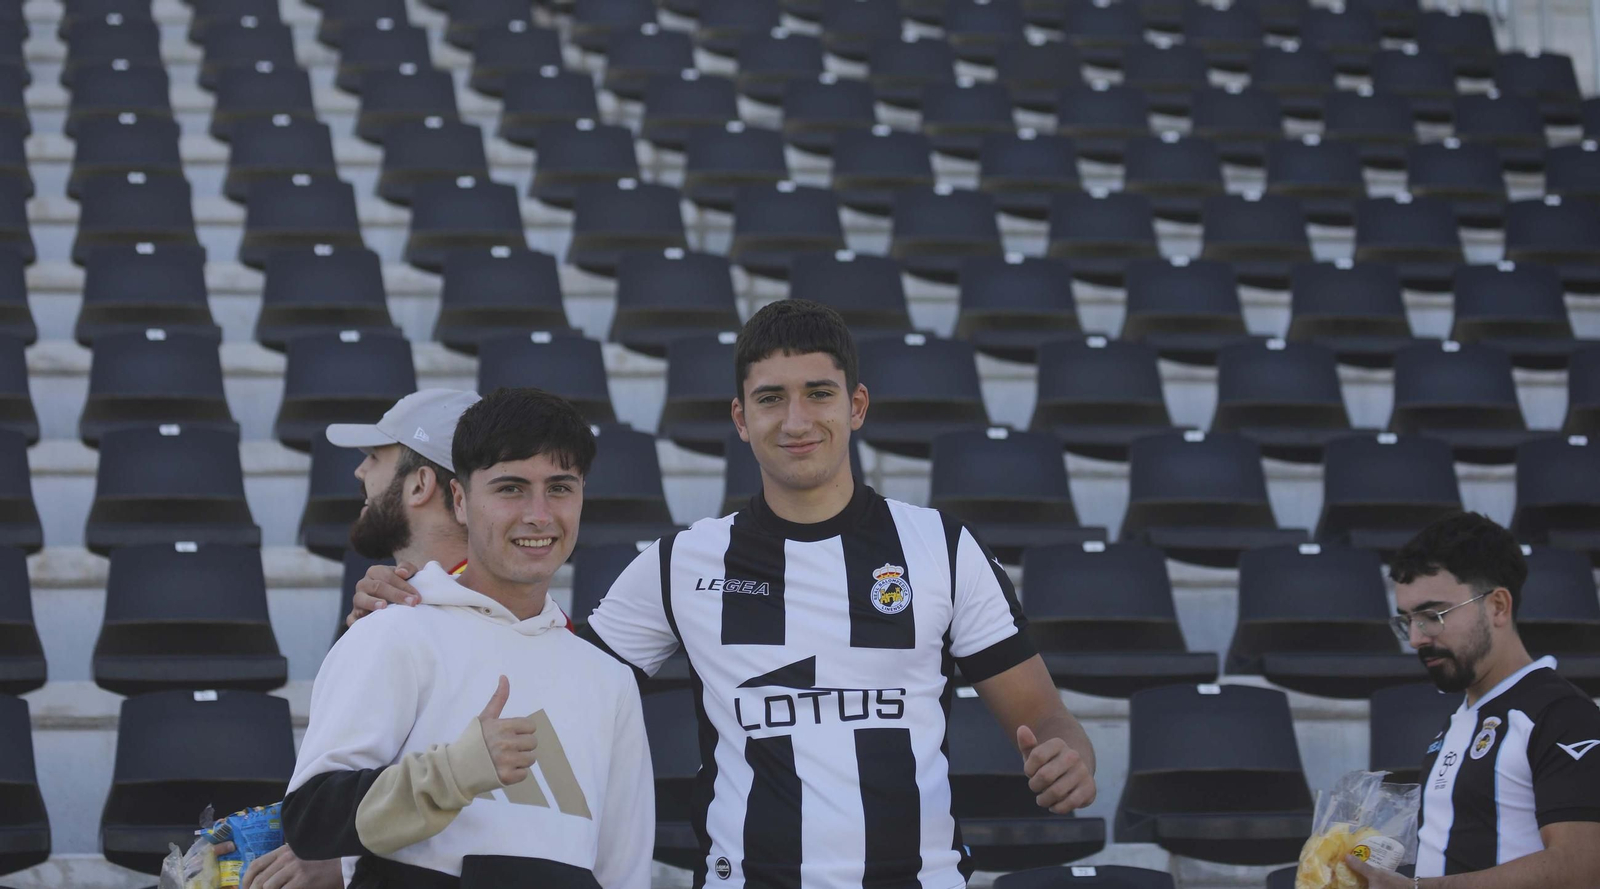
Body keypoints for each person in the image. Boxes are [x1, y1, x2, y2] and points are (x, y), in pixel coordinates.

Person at [353, 300, 1097, 887]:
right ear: (740, 418)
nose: (797, 419)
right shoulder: (682, 562)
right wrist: (423, 598)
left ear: (857, 405)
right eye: (771, 398)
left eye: (819, 394)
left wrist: (1068, 754)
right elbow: (542, 663)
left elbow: (1045, 715)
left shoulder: (942, 548)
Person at [283, 388, 654, 888]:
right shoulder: (393, 631)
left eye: (560, 488)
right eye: (511, 488)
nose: (539, 515)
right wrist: (454, 773)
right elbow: (310, 821)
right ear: (459, 499)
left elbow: (622, 876)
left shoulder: (609, 680)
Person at [217, 388, 482, 889]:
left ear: (420, 483)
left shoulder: (505, 625)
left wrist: (342, 857)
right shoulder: (398, 610)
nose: (360, 472)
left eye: (373, 457)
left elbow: (498, 798)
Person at [1346, 512, 1600, 888]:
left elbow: (1583, 868)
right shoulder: (1459, 720)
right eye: (1407, 620)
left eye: (1433, 615)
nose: (1416, 638)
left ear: (1497, 606)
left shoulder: (1561, 713)